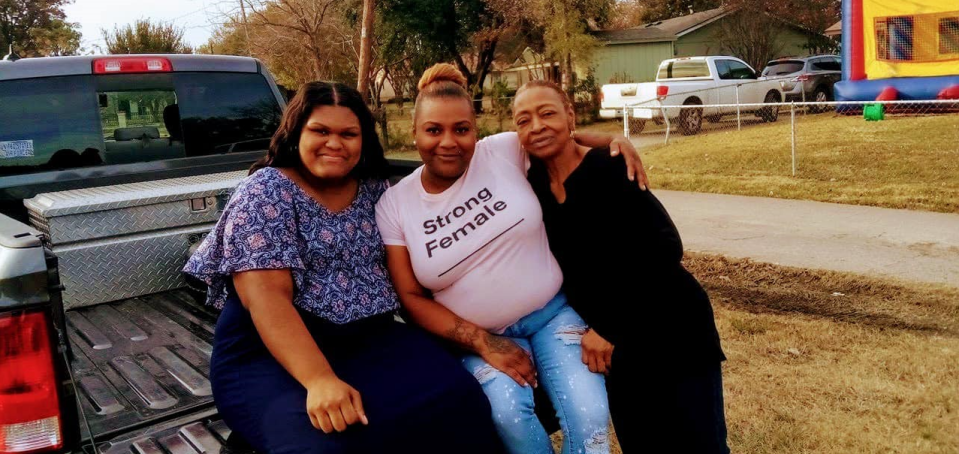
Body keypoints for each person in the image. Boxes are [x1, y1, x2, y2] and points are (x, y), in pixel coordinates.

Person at [184, 81, 503, 454]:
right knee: (324, 445)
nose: (335, 143)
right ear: (295, 132)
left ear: (363, 139)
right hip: (271, 354)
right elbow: (266, 299)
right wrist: (319, 380)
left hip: (369, 340)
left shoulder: (375, 188)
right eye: (320, 131)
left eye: (348, 133)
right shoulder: (266, 192)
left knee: (458, 399)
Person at [375, 64, 645, 454]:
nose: (448, 142)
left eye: (461, 129)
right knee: (508, 417)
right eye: (434, 130)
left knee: (588, 415)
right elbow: (411, 297)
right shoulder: (395, 205)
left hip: (554, 316)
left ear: (476, 130)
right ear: (414, 133)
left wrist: (613, 139)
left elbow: (555, 139)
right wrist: (483, 342)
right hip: (478, 337)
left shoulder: (501, 151)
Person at [514, 80, 729, 453]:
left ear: (570, 115)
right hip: (618, 349)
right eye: (524, 119)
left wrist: (610, 326)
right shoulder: (531, 184)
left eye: (548, 113)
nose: (537, 126)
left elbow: (665, 247)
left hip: (672, 326)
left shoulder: (609, 168)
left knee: (700, 445)